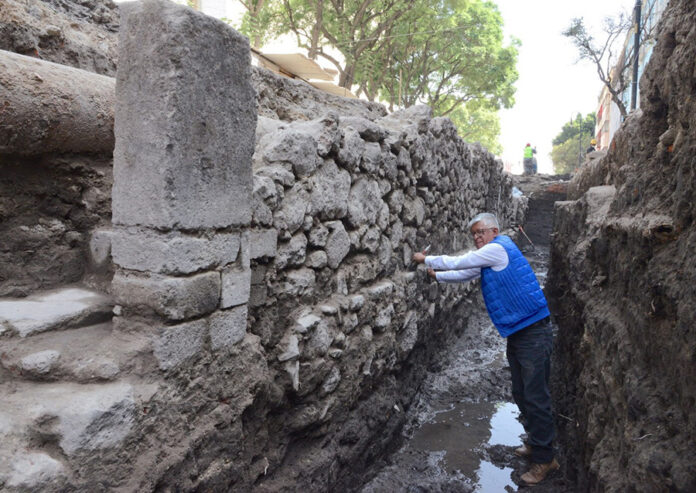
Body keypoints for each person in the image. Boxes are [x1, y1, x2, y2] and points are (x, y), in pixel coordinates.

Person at [412, 212, 558, 486]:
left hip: (533, 333)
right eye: (475, 234)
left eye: (481, 232)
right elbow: (466, 272)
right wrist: (438, 276)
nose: (478, 238)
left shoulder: (497, 249)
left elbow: (462, 260)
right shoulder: (490, 255)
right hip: (519, 331)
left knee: (536, 396)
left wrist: (425, 259)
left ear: (494, 231)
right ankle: (536, 442)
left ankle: (545, 459)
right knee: (520, 391)